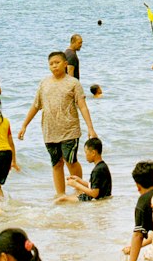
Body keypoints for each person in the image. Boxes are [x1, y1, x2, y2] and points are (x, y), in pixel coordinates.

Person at [18, 50, 97, 199]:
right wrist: (24, 125)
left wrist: (90, 129)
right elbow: (36, 106)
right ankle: (60, 194)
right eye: (51, 64)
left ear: (65, 64)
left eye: (57, 62)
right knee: (56, 163)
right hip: (49, 131)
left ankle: (79, 191)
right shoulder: (44, 83)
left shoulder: (73, 83)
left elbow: (82, 106)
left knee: (70, 160)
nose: (54, 66)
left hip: (70, 129)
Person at [122, 161, 153, 261]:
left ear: (138, 186)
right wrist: (133, 248)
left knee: (149, 256)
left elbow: (138, 235)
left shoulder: (144, 201)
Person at [68, 136, 112, 201]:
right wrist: (79, 180)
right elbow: (95, 186)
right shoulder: (103, 166)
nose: (85, 155)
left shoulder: (97, 170)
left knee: (63, 199)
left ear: (93, 153)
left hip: (97, 199)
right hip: (104, 197)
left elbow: (94, 194)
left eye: (86, 152)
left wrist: (76, 185)